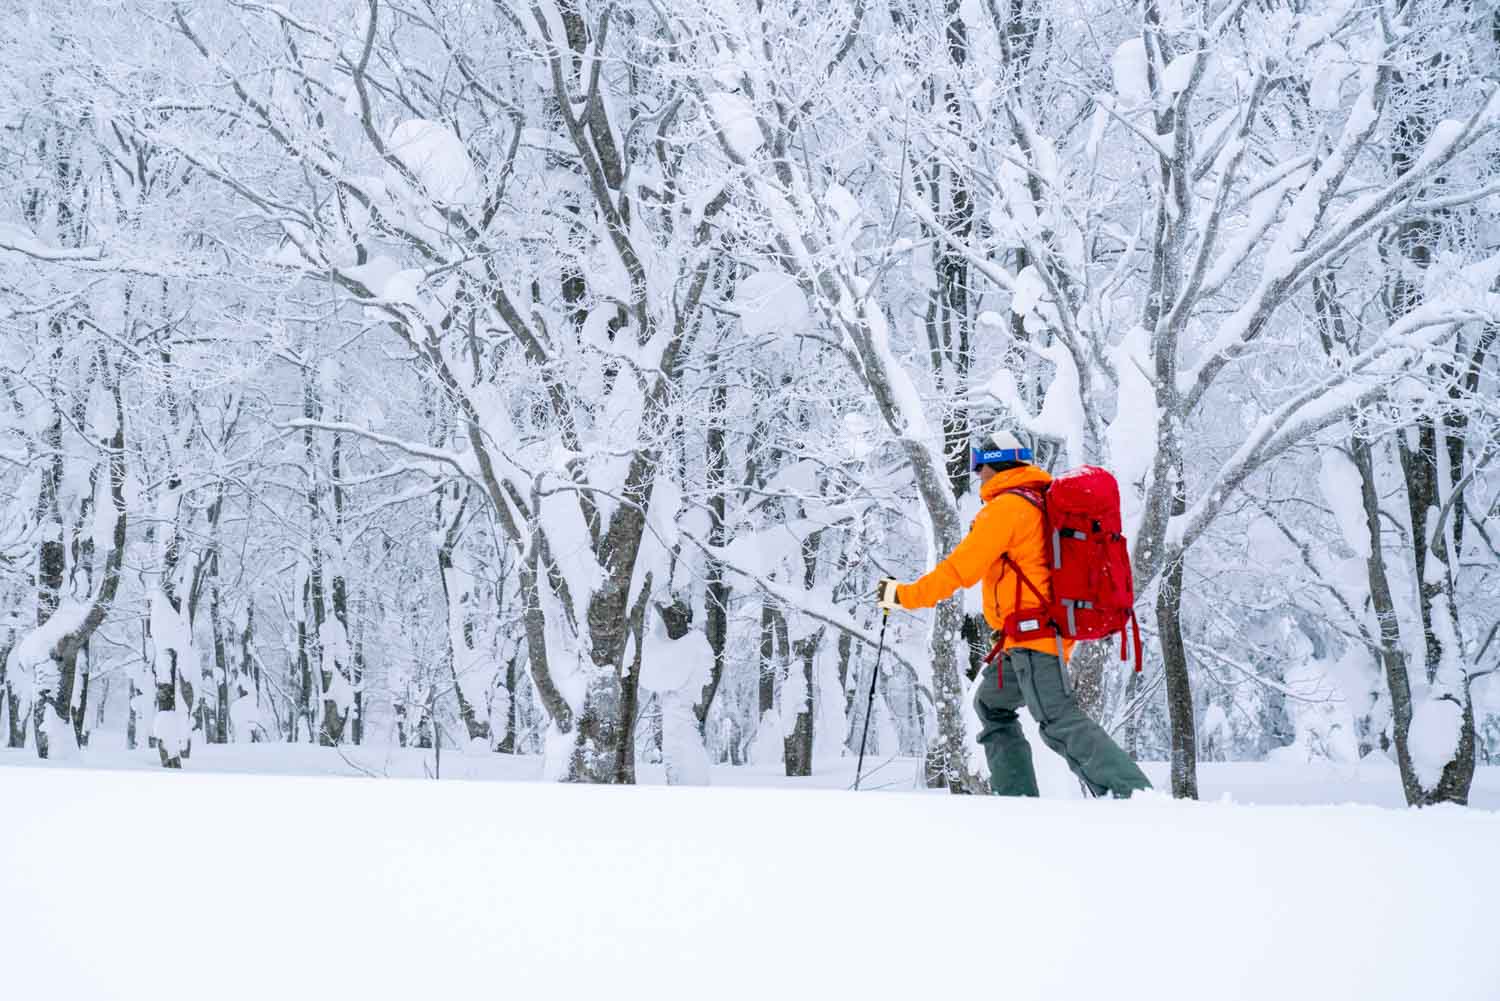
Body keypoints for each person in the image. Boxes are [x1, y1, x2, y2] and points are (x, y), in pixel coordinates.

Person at [875, 432, 1151, 798]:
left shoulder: (1007, 509)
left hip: (1034, 637)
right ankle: (1016, 800)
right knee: (991, 703)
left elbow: (959, 570)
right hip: (1029, 637)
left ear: (995, 465)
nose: (979, 476)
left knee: (1057, 720)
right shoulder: (1037, 501)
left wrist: (902, 595)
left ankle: (1133, 793)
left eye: (980, 468)